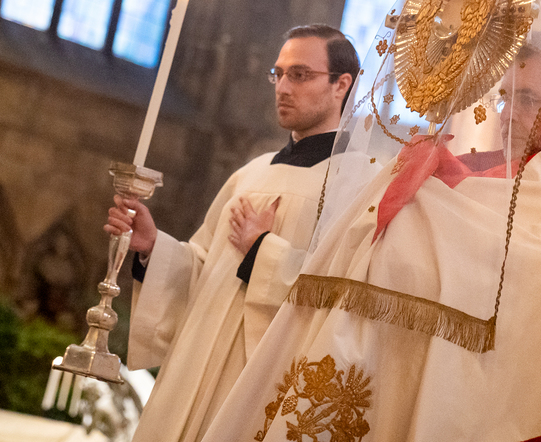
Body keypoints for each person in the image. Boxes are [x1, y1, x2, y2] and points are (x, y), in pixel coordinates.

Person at [201, 22, 541, 441]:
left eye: (526, 99)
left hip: (519, 420)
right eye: (504, 98)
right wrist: (411, 188)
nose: (506, 115)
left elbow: (525, 306)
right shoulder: (480, 174)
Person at [104, 24, 359, 442]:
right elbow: (203, 272)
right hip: (193, 371)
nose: (283, 88)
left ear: (340, 85)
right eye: (279, 74)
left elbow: (342, 296)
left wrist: (261, 251)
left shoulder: (354, 184)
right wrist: (154, 248)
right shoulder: (250, 174)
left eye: (300, 75)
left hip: (258, 384)